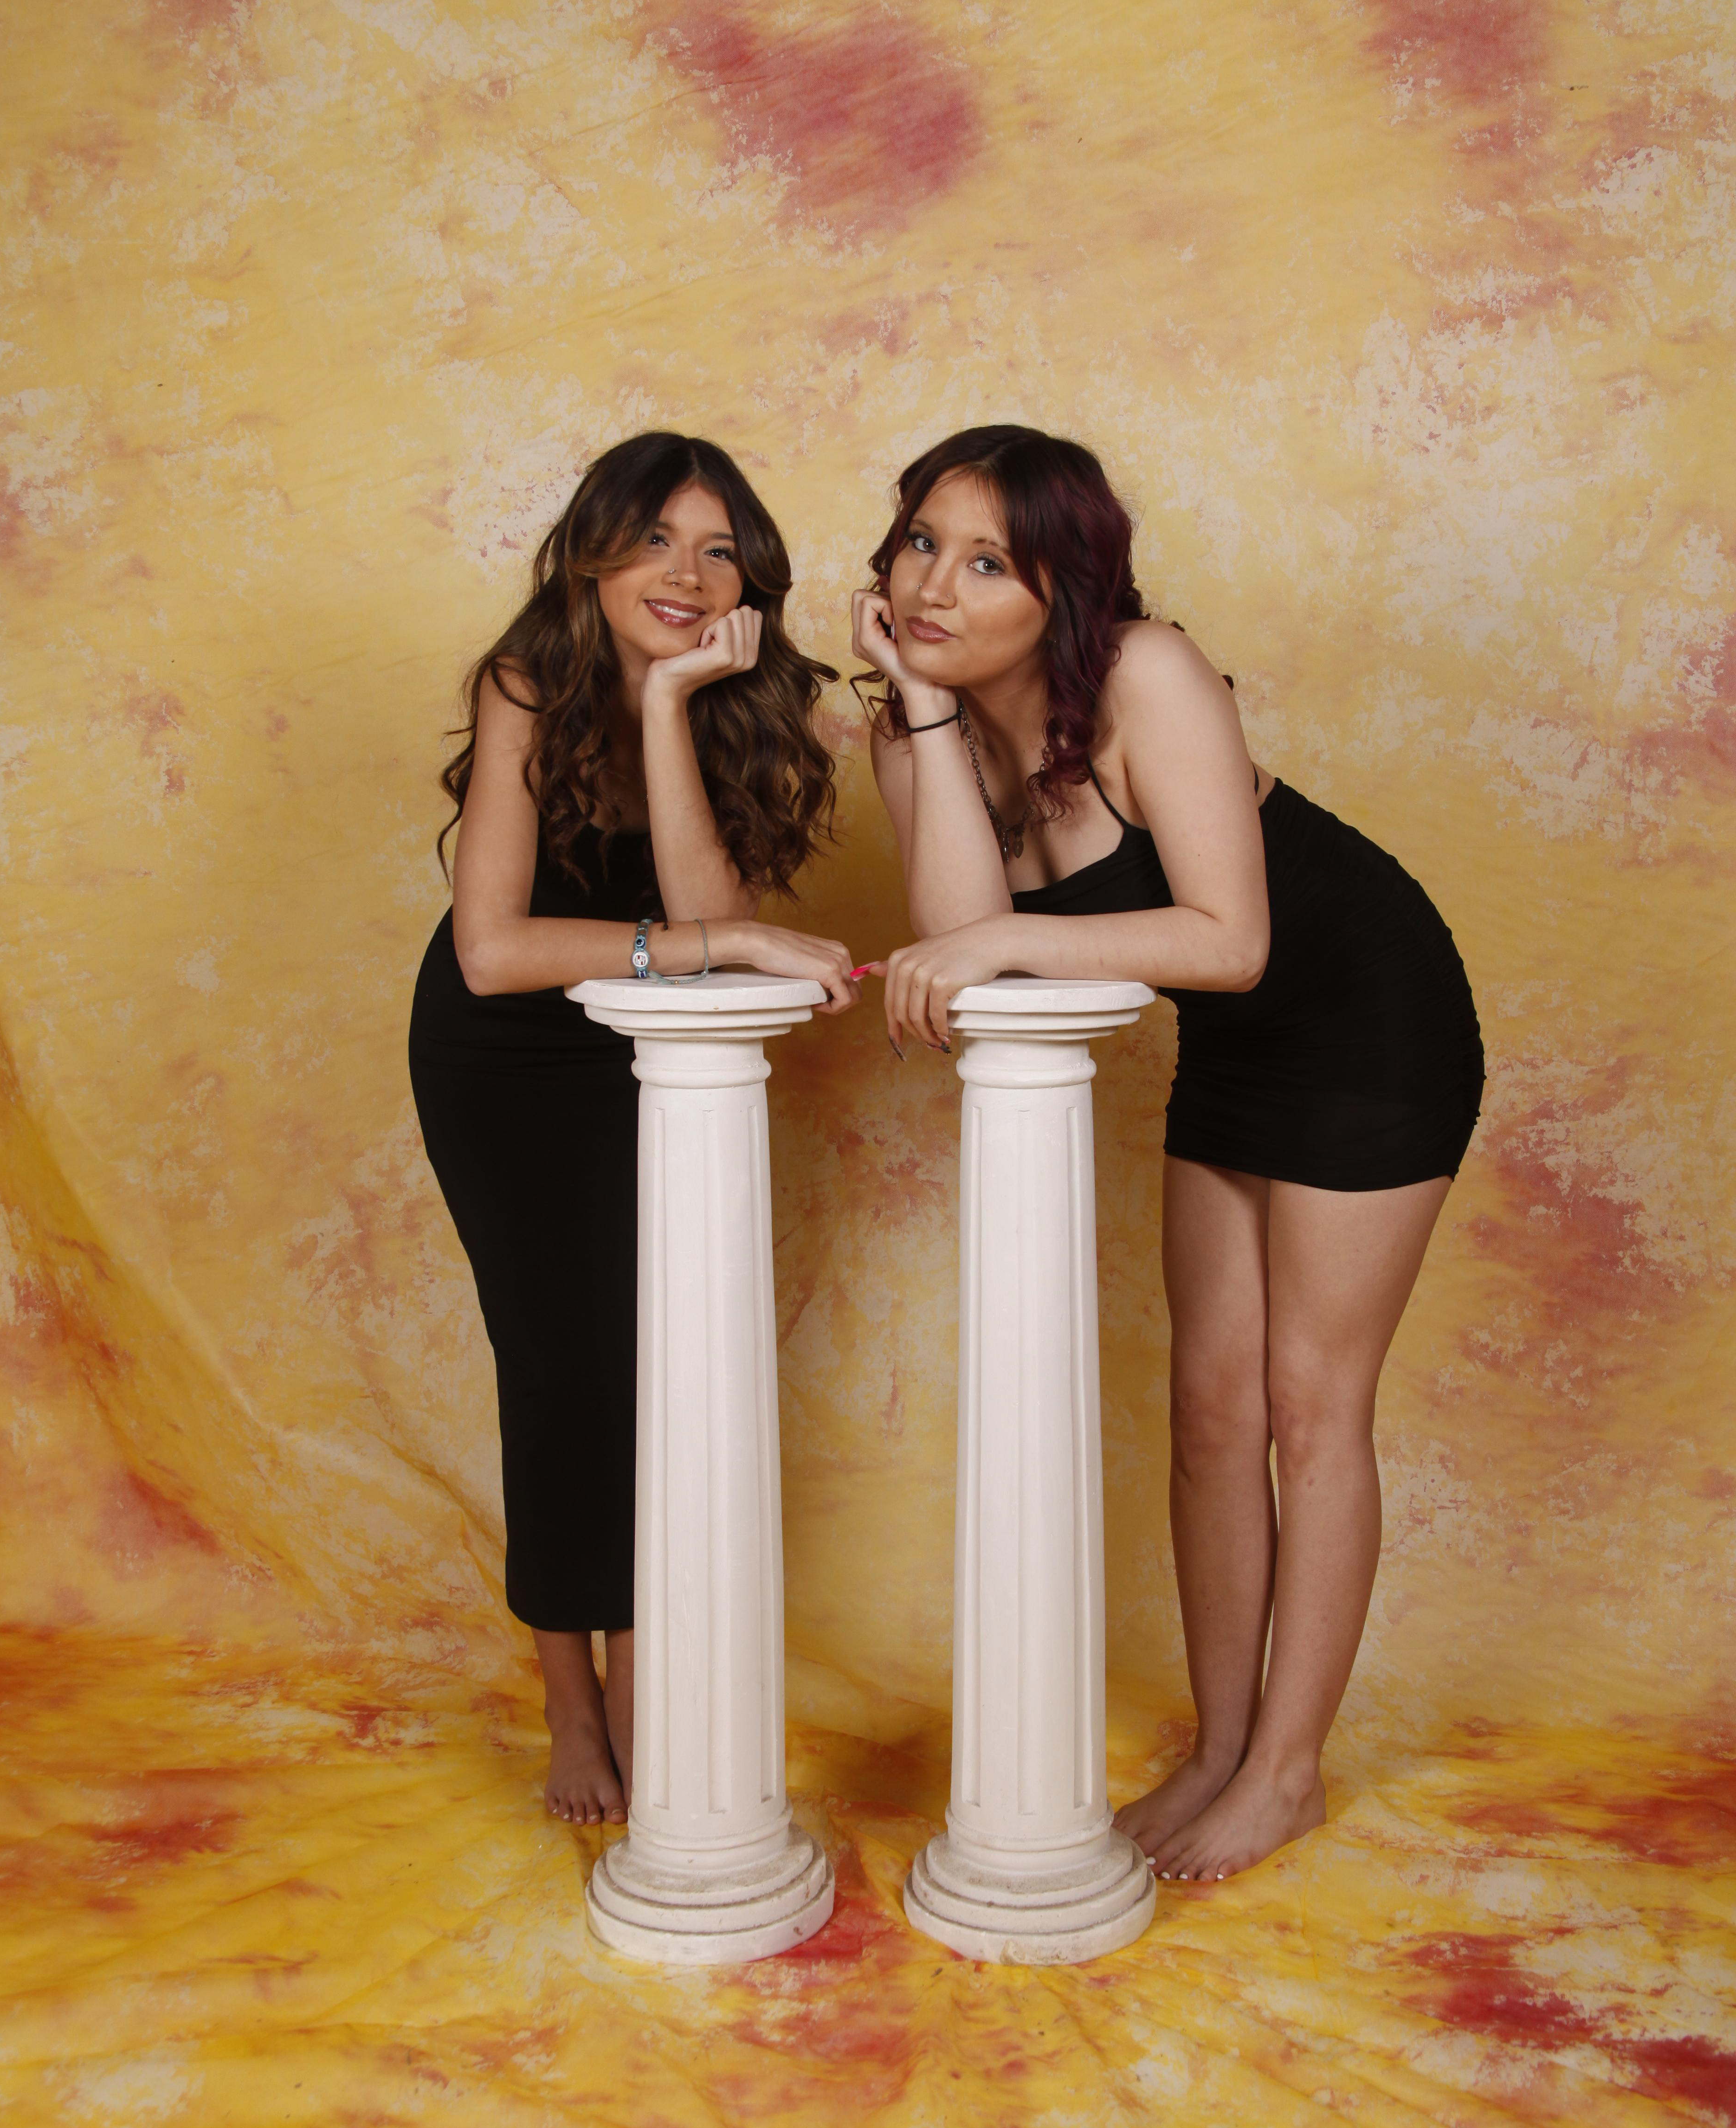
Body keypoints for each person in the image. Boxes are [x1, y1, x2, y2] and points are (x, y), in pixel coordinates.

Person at [853, 424, 1482, 1882]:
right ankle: (1219, 1749)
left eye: (990, 563)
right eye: (923, 543)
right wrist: (927, 713)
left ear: (1061, 592)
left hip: (1367, 1018)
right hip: (1239, 1051)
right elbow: (967, 949)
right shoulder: (911, 729)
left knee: (1310, 1406)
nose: (937, 586)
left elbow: (1232, 938)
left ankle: (1287, 1774)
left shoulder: (1148, 674)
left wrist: (1000, 939)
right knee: (1210, 1411)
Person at [411, 432, 858, 1828]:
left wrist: (671, 704)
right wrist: (716, 943)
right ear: (593, 552)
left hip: (661, 1060)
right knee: (562, 1373)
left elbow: (707, 913)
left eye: (719, 549)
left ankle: (652, 1675)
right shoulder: (524, 683)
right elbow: (494, 950)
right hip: (508, 1065)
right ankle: (572, 1699)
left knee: (659, 1368)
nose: (687, 572)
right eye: (656, 538)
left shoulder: (722, 703)